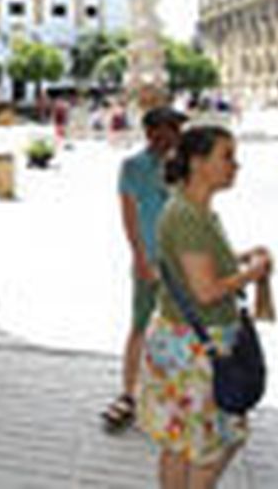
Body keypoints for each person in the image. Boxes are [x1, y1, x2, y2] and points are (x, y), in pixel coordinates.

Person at [138, 125, 273, 488]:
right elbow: (206, 291)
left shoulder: (191, 209)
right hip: (196, 346)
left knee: (181, 442)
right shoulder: (188, 216)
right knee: (210, 444)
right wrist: (254, 273)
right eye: (226, 156)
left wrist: (240, 258)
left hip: (183, 340)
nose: (235, 165)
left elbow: (198, 267)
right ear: (197, 162)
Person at [101, 105, 187, 433]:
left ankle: (176, 394)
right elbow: (129, 215)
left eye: (177, 129)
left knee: (181, 329)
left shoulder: (185, 166)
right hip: (151, 259)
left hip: (184, 262)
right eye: (169, 128)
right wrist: (138, 256)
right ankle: (128, 392)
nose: (175, 135)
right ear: (152, 132)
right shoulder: (133, 167)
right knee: (139, 324)